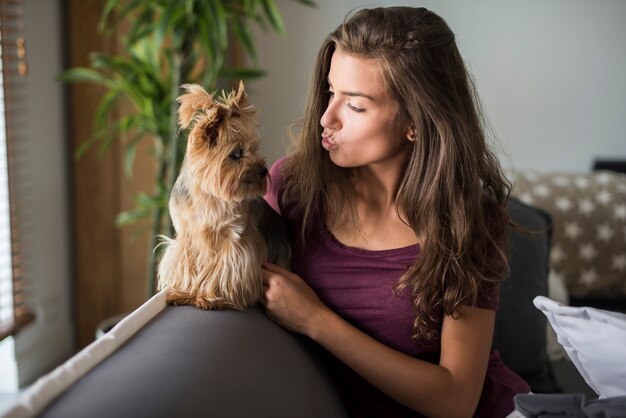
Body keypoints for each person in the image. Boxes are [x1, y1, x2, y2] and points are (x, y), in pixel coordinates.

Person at [261, 6, 530, 418]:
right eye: (331, 91)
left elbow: (456, 400)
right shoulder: (293, 189)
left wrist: (317, 320)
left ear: (415, 122)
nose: (326, 118)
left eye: (356, 106)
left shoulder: (467, 221)